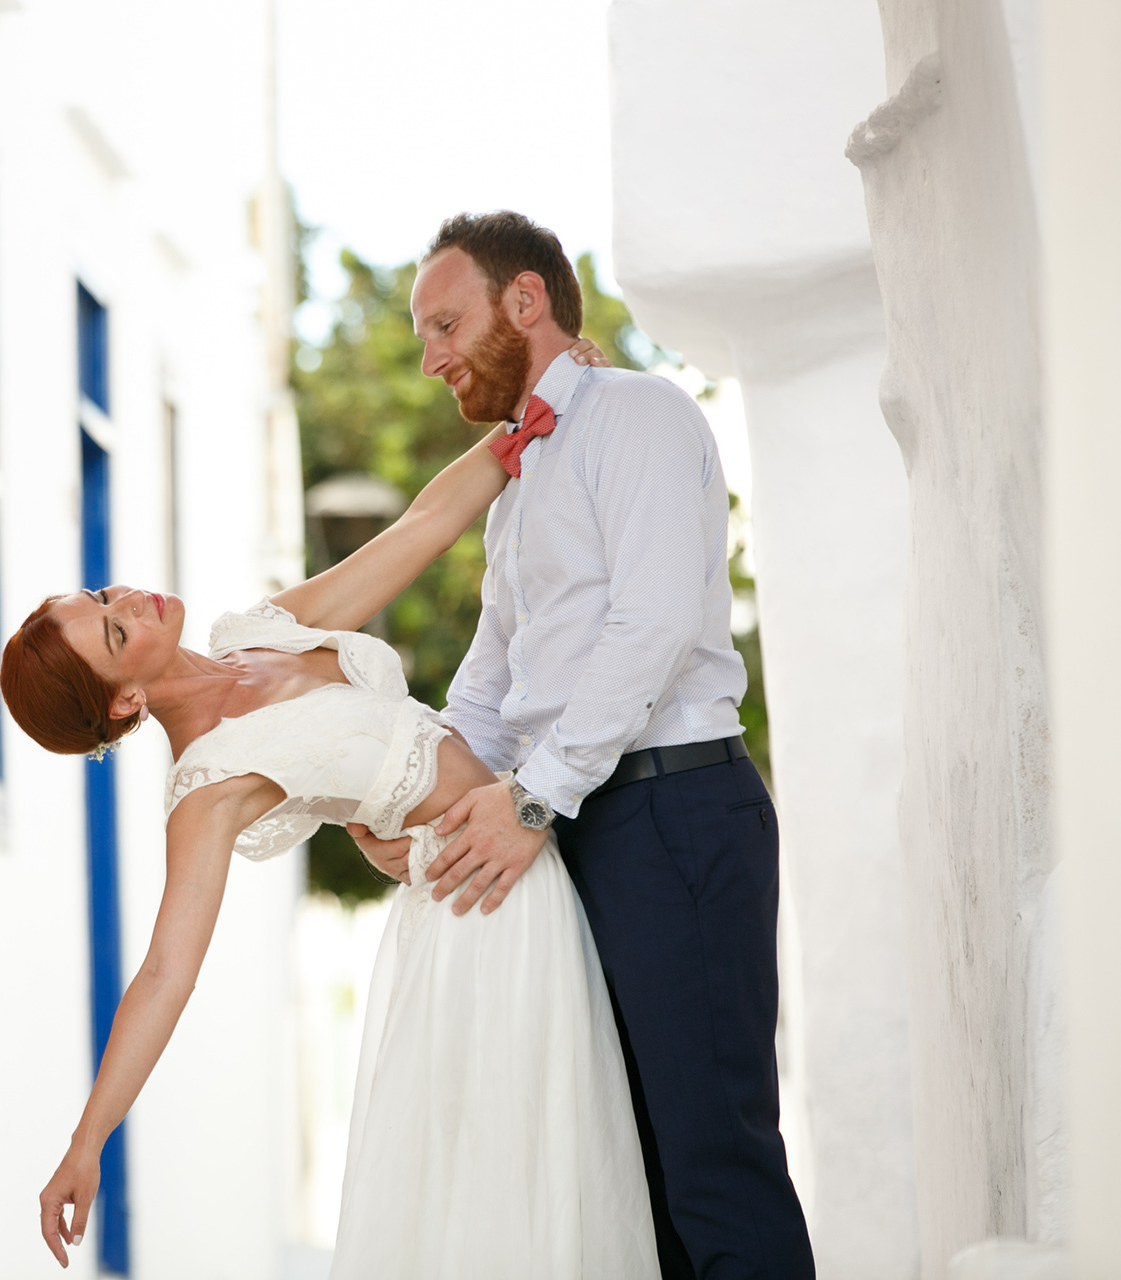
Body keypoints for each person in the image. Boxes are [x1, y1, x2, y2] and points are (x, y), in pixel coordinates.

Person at [2, 333, 664, 1276]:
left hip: (523, 864)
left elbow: (419, 531)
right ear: (125, 703)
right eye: (116, 628)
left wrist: (533, 418)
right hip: (480, 909)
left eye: (104, 592)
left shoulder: (257, 631)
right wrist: (86, 1142)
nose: (135, 599)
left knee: (573, 1170)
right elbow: (163, 975)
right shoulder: (209, 784)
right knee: (523, 1190)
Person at [350, 211, 814, 1278]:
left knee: (712, 1163)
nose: (431, 357)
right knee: (627, 1172)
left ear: (527, 301)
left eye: (445, 323)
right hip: (580, 831)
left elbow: (648, 626)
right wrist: (407, 796)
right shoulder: (518, 487)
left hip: (675, 814)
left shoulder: (638, 414)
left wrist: (528, 799)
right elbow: (491, 681)